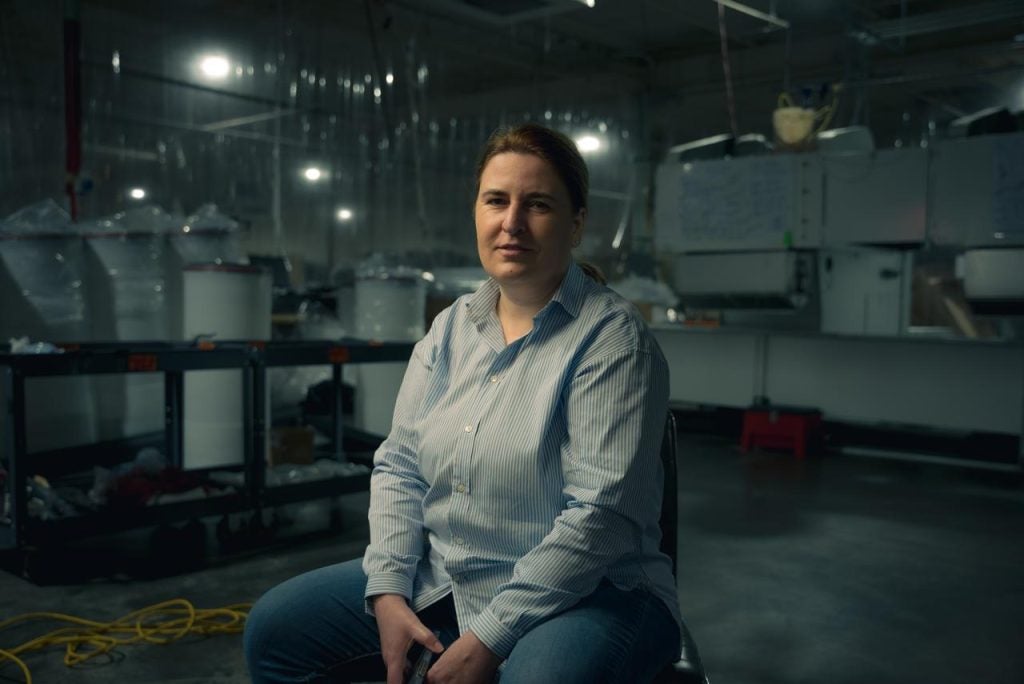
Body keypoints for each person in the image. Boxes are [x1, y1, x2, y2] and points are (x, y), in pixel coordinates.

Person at [244, 123, 682, 683]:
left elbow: (600, 517)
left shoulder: (612, 339)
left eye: (538, 204)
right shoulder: (451, 329)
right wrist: (388, 590)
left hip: (593, 592)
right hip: (449, 576)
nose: (512, 223)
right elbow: (400, 467)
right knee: (276, 630)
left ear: (575, 225)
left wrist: (488, 639)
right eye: (496, 200)